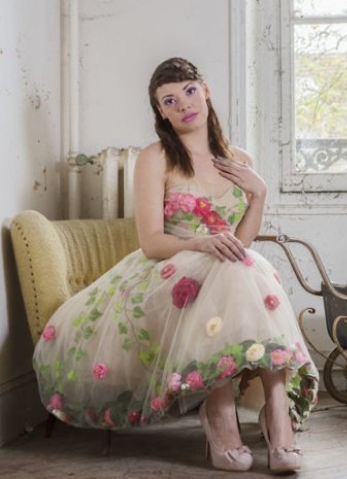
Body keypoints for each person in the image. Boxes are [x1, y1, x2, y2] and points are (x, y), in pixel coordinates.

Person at [31, 57, 319, 473]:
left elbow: (239, 244)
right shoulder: (156, 157)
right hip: (168, 270)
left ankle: (277, 413)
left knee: (247, 265)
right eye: (170, 99)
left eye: (188, 91)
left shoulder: (240, 159)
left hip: (226, 267)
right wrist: (202, 243)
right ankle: (219, 410)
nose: (183, 103)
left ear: (205, 90)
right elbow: (151, 242)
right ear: (161, 112)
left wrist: (259, 195)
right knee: (236, 270)